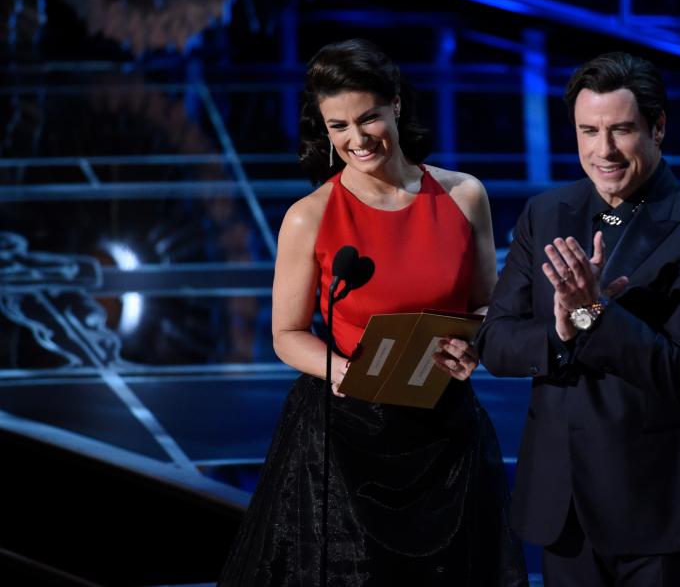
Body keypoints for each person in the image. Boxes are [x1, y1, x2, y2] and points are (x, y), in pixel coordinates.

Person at [219, 38, 527, 587]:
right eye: (339, 127)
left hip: (445, 428)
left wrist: (474, 339)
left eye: (369, 119)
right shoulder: (307, 217)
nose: (356, 140)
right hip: (347, 437)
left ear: (397, 107)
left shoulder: (464, 195)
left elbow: (489, 302)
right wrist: (340, 369)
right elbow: (287, 335)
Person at [475, 52, 680, 587]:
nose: (603, 150)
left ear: (658, 127)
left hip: (664, 514)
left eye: (621, 130)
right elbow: (496, 341)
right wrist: (560, 328)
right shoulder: (545, 213)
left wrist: (589, 311)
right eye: (588, 131)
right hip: (567, 509)